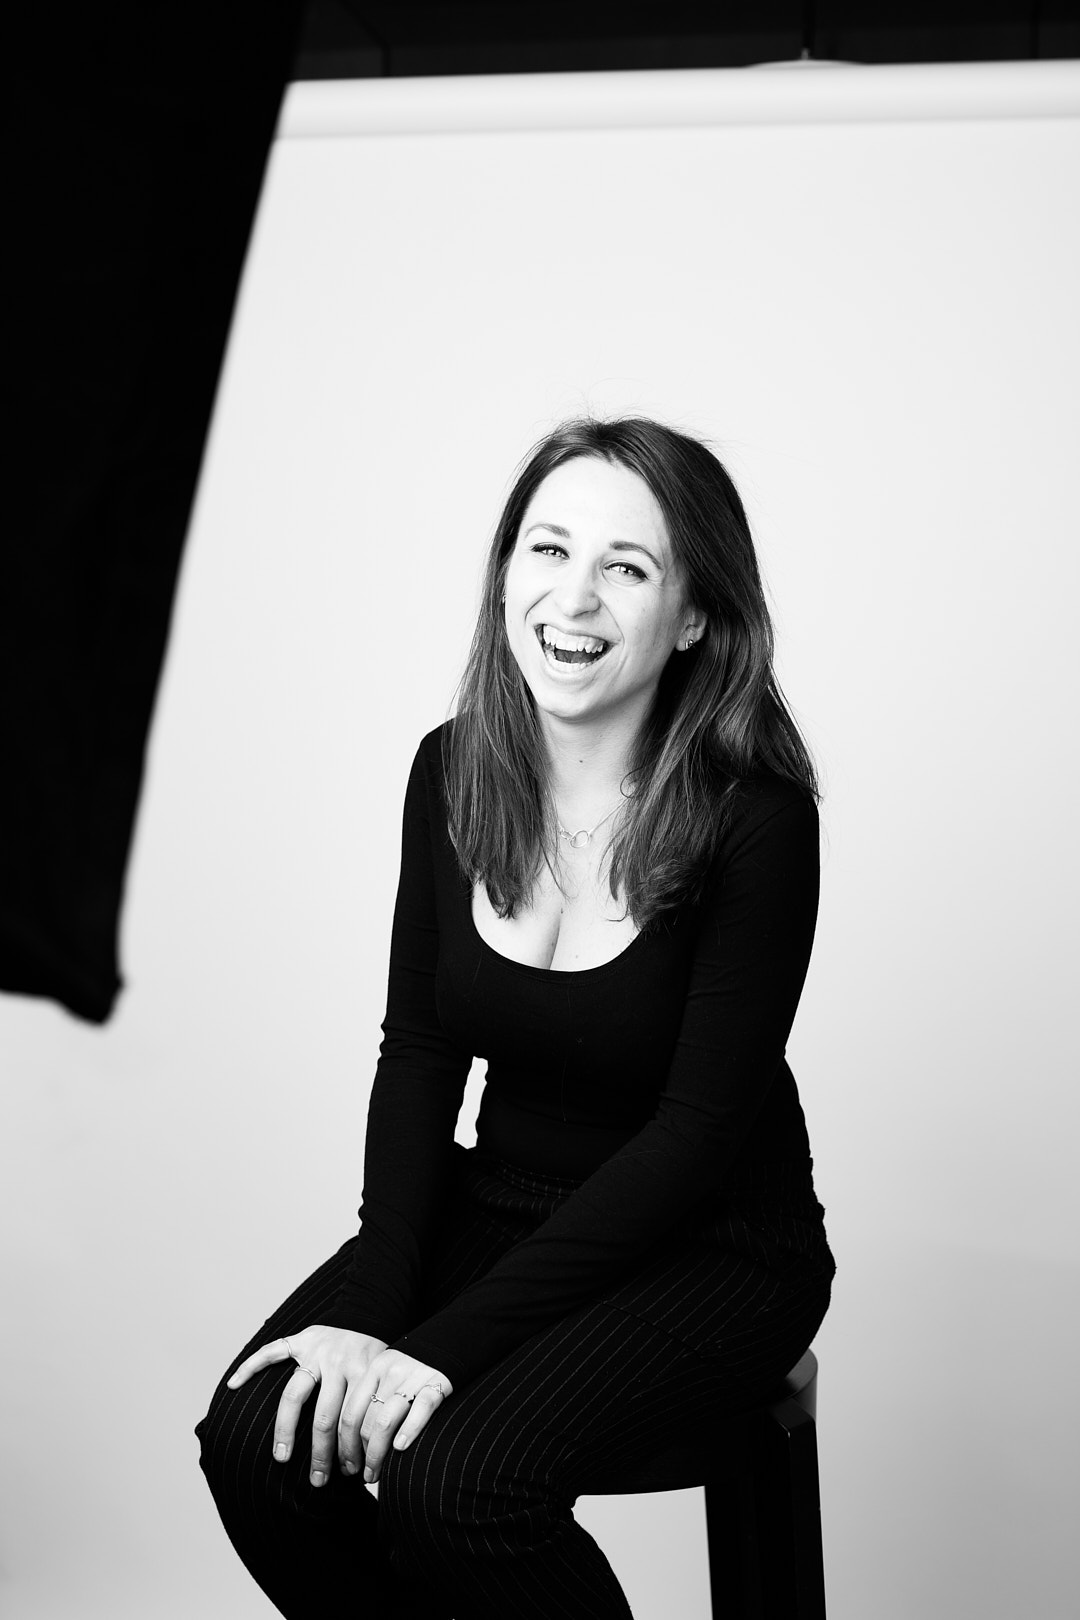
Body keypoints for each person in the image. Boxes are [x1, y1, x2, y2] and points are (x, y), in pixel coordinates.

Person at [196, 417, 836, 1619]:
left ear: (695, 617)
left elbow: (694, 1140)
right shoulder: (451, 770)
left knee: (458, 1484)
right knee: (258, 1441)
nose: (573, 597)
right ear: (506, 575)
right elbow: (420, 1051)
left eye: (626, 567)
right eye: (548, 550)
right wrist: (374, 1309)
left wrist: (436, 1350)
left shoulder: (757, 819)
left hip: (712, 1245)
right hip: (502, 1201)